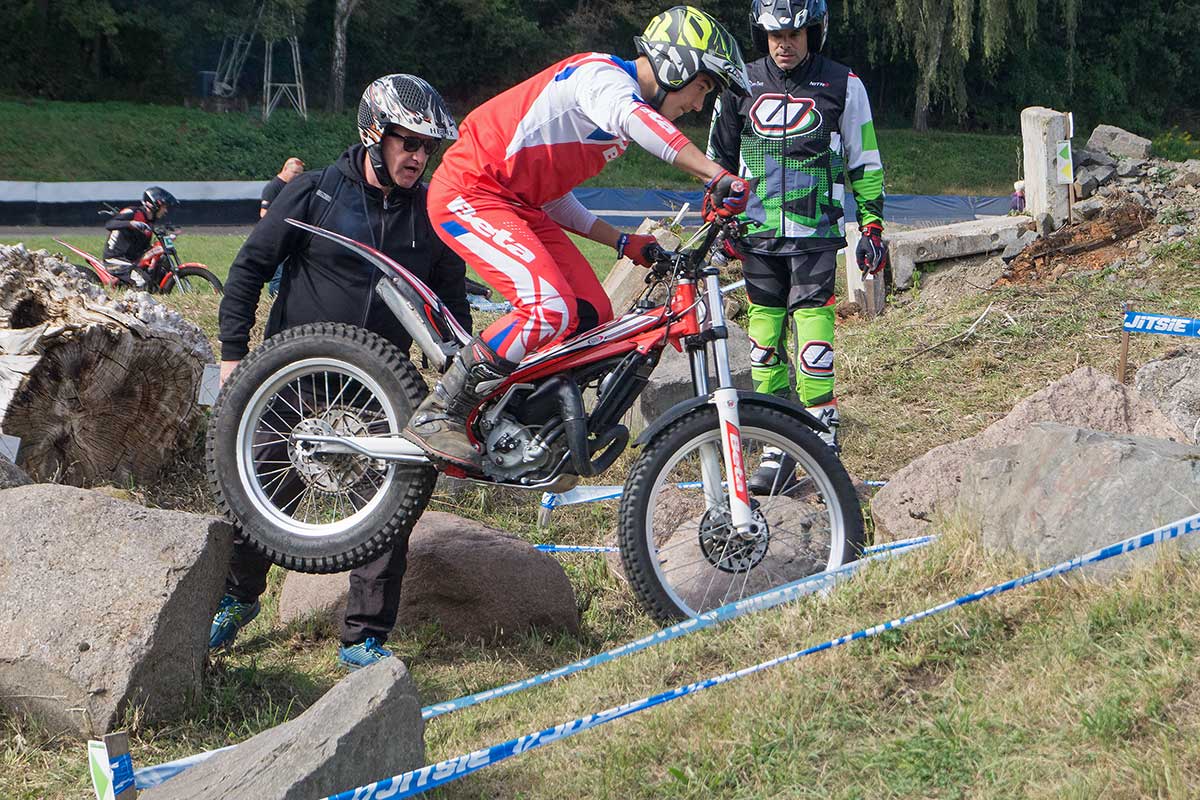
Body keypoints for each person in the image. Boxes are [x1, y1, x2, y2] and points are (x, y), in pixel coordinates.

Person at [403, 5, 753, 473]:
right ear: (678, 65)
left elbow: (553, 198)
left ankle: (520, 420)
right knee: (548, 308)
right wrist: (716, 174)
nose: (698, 105)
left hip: (518, 204)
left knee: (592, 315)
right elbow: (636, 119)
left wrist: (623, 242)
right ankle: (441, 411)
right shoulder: (602, 79)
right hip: (470, 190)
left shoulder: (615, 117)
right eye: (703, 87)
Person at [210, 74, 471, 670]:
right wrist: (232, 357)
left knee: (392, 504)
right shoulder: (315, 192)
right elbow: (250, 267)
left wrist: (459, 378)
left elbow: (451, 306)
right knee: (257, 487)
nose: (419, 157)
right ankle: (236, 598)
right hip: (292, 376)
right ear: (375, 134)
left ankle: (363, 638)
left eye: (428, 147)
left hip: (381, 388)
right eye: (408, 142)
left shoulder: (431, 215)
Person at [706, 0, 887, 489]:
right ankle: (777, 442)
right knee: (763, 344)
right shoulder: (739, 83)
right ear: (761, 35)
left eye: (794, 35)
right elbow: (716, 160)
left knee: (813, 339)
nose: (784, 45)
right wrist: (719, 220)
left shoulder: (844, 83)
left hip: (815, 235)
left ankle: (823, 435)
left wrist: (872, 228)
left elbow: (864, 159)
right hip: (757, 237)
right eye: (774, 36)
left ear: (813, 32)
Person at [101, 186, 178, 289]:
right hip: (115, 259)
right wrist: (131, 223)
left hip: (133, 258)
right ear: (154, 205)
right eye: (164, 207)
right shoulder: (132, 212)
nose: (165, 210)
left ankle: (159, 291)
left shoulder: (150, 221)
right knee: (142, 282)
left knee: (162, 260)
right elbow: (109, 224)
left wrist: (167, 237)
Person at [261, 157, 305, 297]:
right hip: (276, 236)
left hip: (290, 235)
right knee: (278, 273)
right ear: (285, 169)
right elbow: (264, 213)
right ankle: (275, 298)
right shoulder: (273, 187)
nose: (297, 176)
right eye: (295, 172)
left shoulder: (293, 187)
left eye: (300, 174)